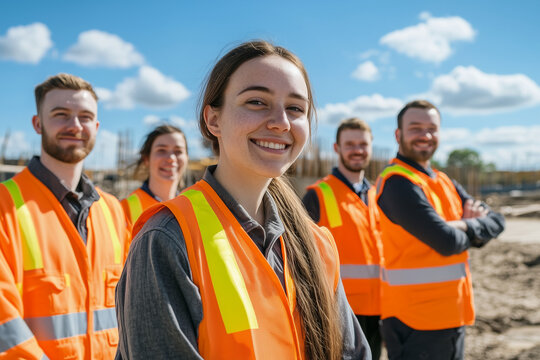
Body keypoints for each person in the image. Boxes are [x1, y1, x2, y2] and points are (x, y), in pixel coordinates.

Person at [115, 40, 370, 360]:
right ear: (213, 120)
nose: (281, 122)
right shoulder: (168, 238)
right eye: (256, 102)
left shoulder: (317, 244)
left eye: (295, 108)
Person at [0, 73, 130, 359]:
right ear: (38, 124)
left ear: (96, 127)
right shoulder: (4, 206)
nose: (75, 126)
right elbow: (4, 329)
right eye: (61, 115)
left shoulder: (113, 211)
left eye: (85, 117)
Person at [375, 100, 505, 360]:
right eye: (415, 128)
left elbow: (498, 221)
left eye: (432, 128)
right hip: (415, 322)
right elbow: (446, 242)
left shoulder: (444, 181)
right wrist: (472, 229)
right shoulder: (397, 183)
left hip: (451, 314)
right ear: (398, 135)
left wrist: (463, 225)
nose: (425, 135)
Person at [303, 117, 383, 359]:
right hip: (341, 313)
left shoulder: (377, 195)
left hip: (381, 309)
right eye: (350, 144)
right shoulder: (317, 195)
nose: (357, 150)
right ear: (337, 149)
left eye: (363, 144)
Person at [121, 124, 188, 227]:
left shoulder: (191, 209)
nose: (171, 158)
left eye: (178, 151)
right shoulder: (123, 209)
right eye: (161, 150)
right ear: (146, 159)